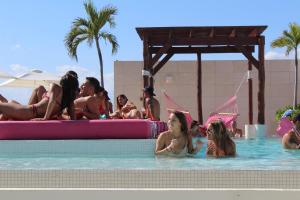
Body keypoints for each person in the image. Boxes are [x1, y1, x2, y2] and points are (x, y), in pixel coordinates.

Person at [0, 73, 79, 120]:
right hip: (30, 114)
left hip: (29, 111)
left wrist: (45, 118)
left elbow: (52, 101)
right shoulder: (69, 101)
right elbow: (73, 119)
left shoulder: (56, 87)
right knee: (6, 112)